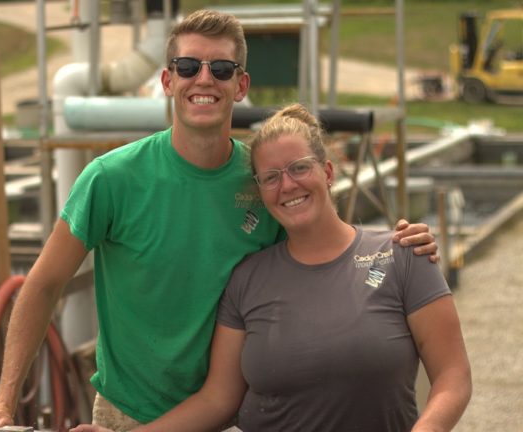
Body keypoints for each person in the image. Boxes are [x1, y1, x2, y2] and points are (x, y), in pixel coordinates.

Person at [0, 10, 438, 431]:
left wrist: (397, 247)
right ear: (168, 80)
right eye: (188, 66)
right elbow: (43, 283)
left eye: (221, 68)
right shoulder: (111, 179)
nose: (204, 79)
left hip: (231, 414)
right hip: (130, 416)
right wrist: (4, 401)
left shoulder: (265, 181)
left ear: (241, 85)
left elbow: (324, 252)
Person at [72, 104, 472, 432]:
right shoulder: (247, 279)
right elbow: (217, 399)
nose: (288, 186)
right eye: (270, 178)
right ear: (260, 193)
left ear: (327, 172)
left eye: (299, 168)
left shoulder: (401, 254)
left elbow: (453, 376)